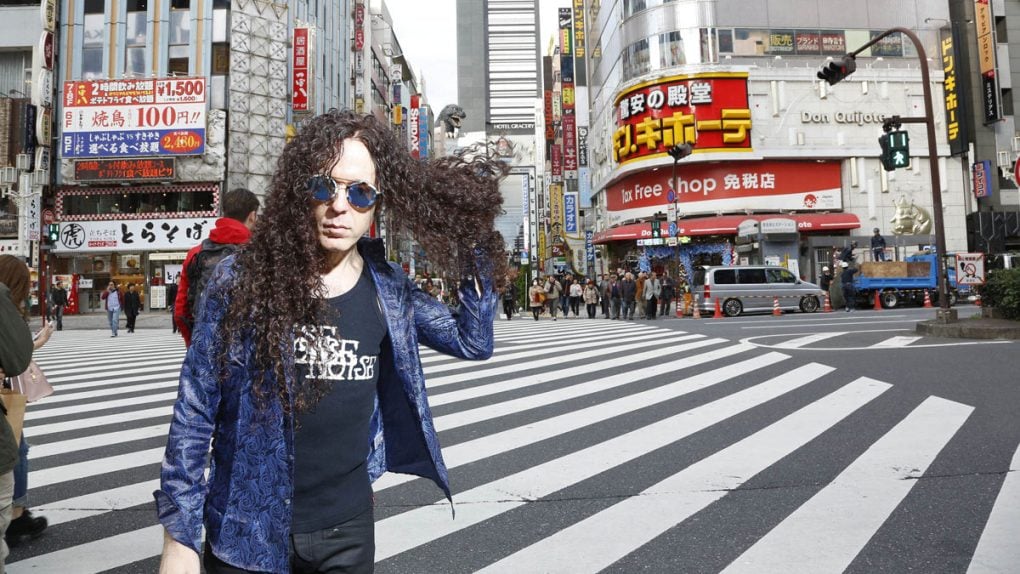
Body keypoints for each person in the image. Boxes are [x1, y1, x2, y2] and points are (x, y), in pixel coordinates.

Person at [155, 110, 507, 574]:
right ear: (301, 192)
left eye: (361, 193)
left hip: (348, 531)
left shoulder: (390, 290)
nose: (341, 205)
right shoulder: (240, 279)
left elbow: (474, 340)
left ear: (379, 204)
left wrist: (474, 234)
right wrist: (179, 537)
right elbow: (196, 407)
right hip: (246, 528)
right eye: (325, 186)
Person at [175, 188, 260, 347]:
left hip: (205, 348)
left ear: (225, 212)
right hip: (247, 352)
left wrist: (193, 345)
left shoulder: (196, 253)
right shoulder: (259, 254)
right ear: (252, 216)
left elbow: (180, 311)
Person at [0, 255, 37, 566]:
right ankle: (16, 513)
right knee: (17, 450)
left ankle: (17, 511)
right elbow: (16, 358)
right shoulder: (4, 307)